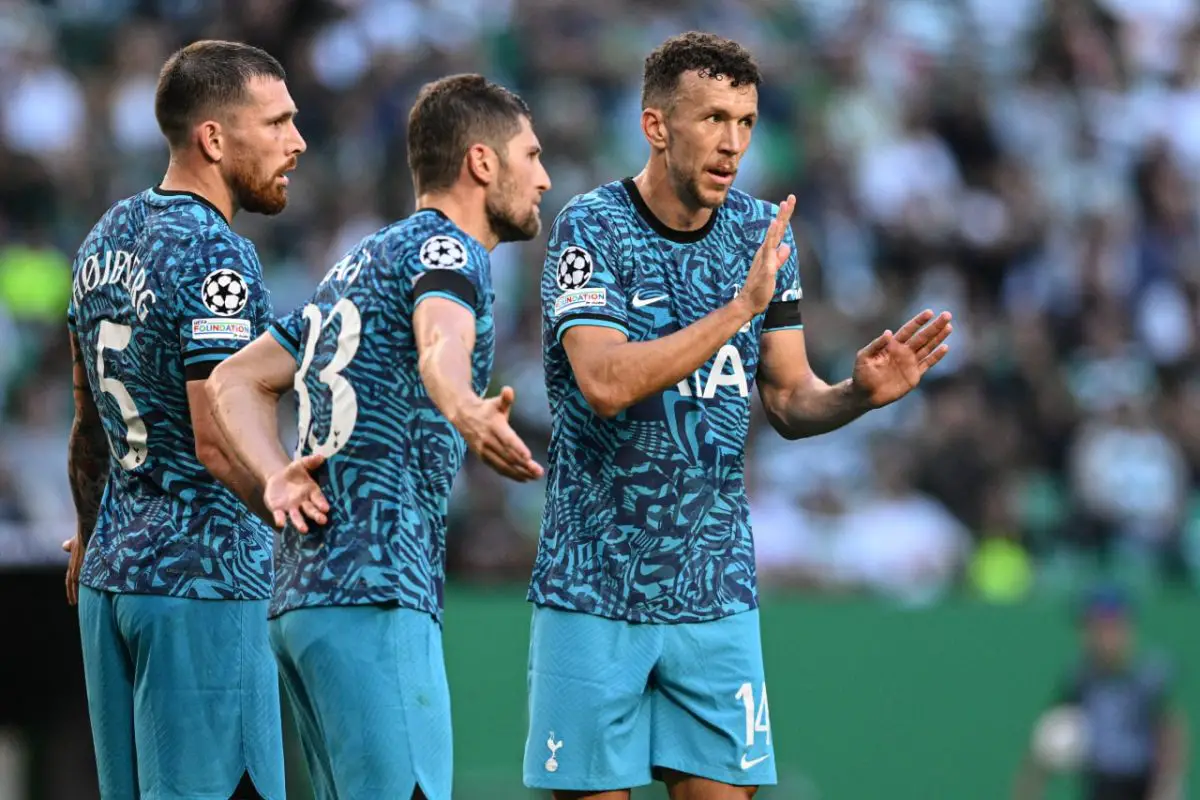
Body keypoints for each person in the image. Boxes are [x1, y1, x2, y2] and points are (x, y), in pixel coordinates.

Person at [525, 31, 953, 799]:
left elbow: (787, 397)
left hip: (714, 587)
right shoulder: (591, 229)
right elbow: (603, 381)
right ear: (656, 126)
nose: (733, 144)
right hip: (593, 587)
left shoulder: (764, 236)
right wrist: (737, 310)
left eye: (747, 122)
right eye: (713, 119)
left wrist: (856, 394)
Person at [204, 73, 550, 800]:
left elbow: (233, 380)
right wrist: (461, 403)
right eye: (531, 155)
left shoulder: (360, 264)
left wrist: (274, 471)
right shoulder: (453, 255)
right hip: (375, 590)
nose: (544, 178)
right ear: (482, 162)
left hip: (303, 597)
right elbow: (439, 343)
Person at [63, 40, 305, 800]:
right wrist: (301, 518)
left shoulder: (105, 235)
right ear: (213, 138)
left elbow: (85, 421)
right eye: (277, 123)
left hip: (112, 580)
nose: (296, 142)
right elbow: (217, 435)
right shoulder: (216, 257)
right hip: (202, 580)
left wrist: (87, 536)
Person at [1012, 586, 1189, 800]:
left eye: (1107, 628)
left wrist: (1167, 785)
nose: (1099, 637)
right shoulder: (1080, 679)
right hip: (1099, 786)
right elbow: (1050, 735)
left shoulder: (1148, 676)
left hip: (1141, 784)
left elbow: (1170, 731)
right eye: (1091, 628)